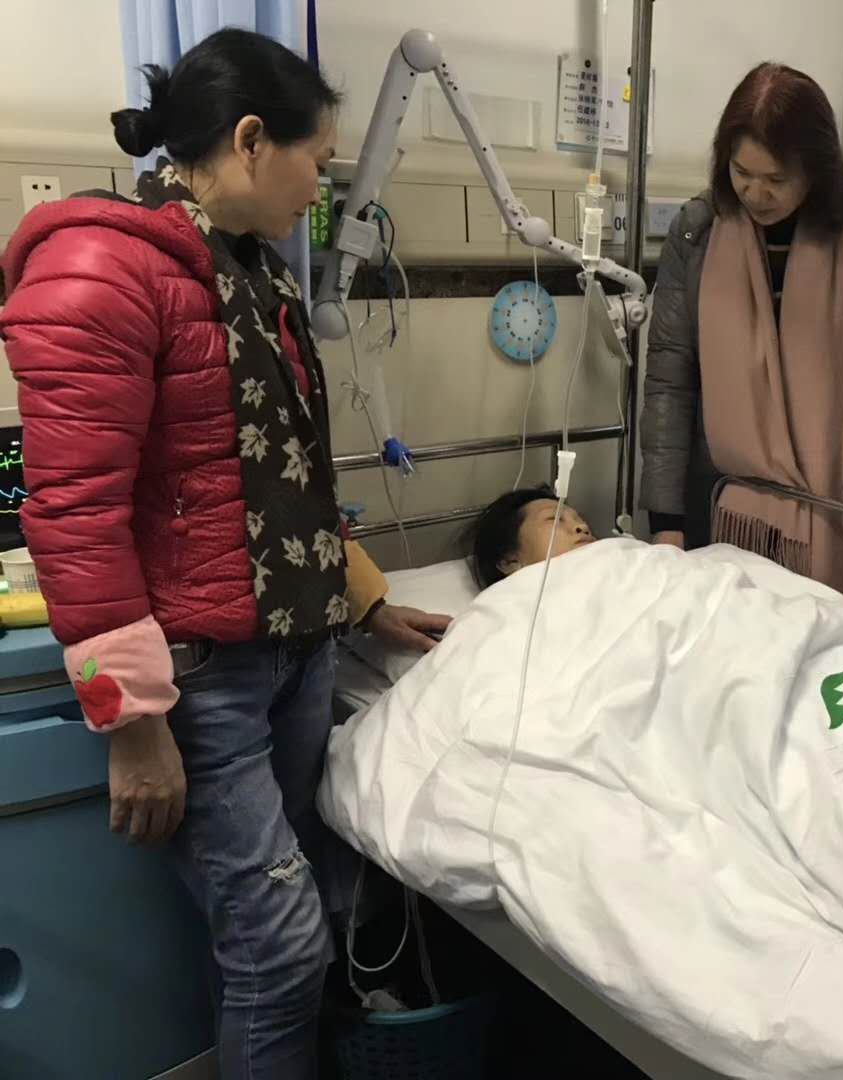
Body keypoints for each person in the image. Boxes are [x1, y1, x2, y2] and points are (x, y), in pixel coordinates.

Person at [0, 29, 446, 1078]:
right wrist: (132, 722)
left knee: (286, 928)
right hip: (201, 680)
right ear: (250, 141)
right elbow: (74, 514)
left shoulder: (252, 273)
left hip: (294, 655)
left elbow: (288, 475)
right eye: (316, 162)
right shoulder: (102, 270)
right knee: (281, 949)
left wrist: (365, 600)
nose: (321, 190)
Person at [640, 62, 843, 599]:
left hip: (837, 505)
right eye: (741, 172)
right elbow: (670, 380)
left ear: (817, 169)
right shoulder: (697, 234)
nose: (755, 193)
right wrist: (666, 519)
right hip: (720, 500)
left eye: (776, 179)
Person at [472, 487, 597, 586]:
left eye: (580, 519)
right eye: (555, 519)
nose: (583, 526)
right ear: (509, 561)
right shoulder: (504, 607)